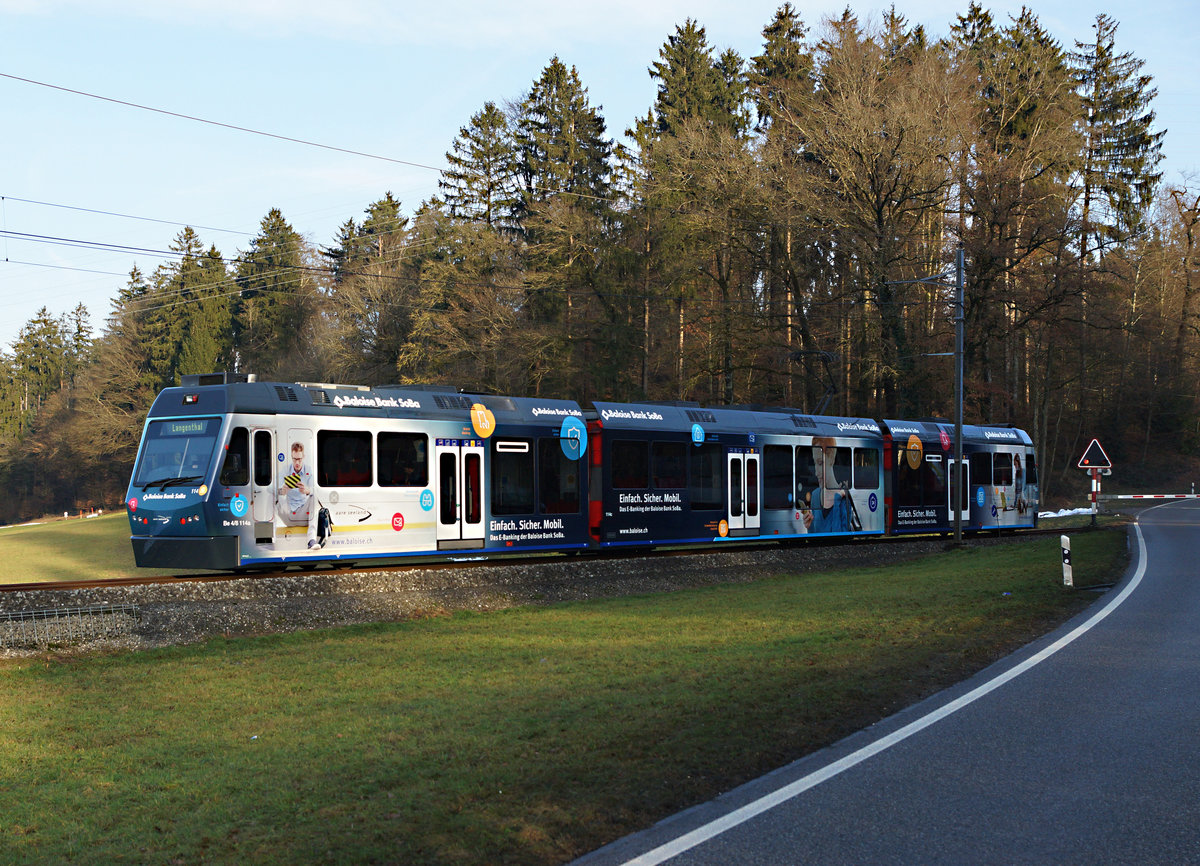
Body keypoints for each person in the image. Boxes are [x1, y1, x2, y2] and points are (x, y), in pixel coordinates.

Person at [803, 437, 852, 533]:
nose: (816, 473)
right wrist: (809, 526)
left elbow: (840, 536)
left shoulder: (844, 499)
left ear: (832, 459)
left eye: (820, 463)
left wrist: (837, 500)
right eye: (815, 463)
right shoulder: (815, 495)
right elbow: (814, 538)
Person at [278, 441, 320, 548]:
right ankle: (267, 538)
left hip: (303, 514)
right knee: (271, 496)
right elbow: (272, 489)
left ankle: (311, 541)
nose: (297, 463)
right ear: (291, 457)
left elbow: (316, 490)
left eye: (299, 459)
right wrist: (281, 491)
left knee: (314, 497)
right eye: (294, 459)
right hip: (288, 514)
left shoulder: (309, 470)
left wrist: (307, 490)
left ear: (303, 457)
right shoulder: (285, 470)